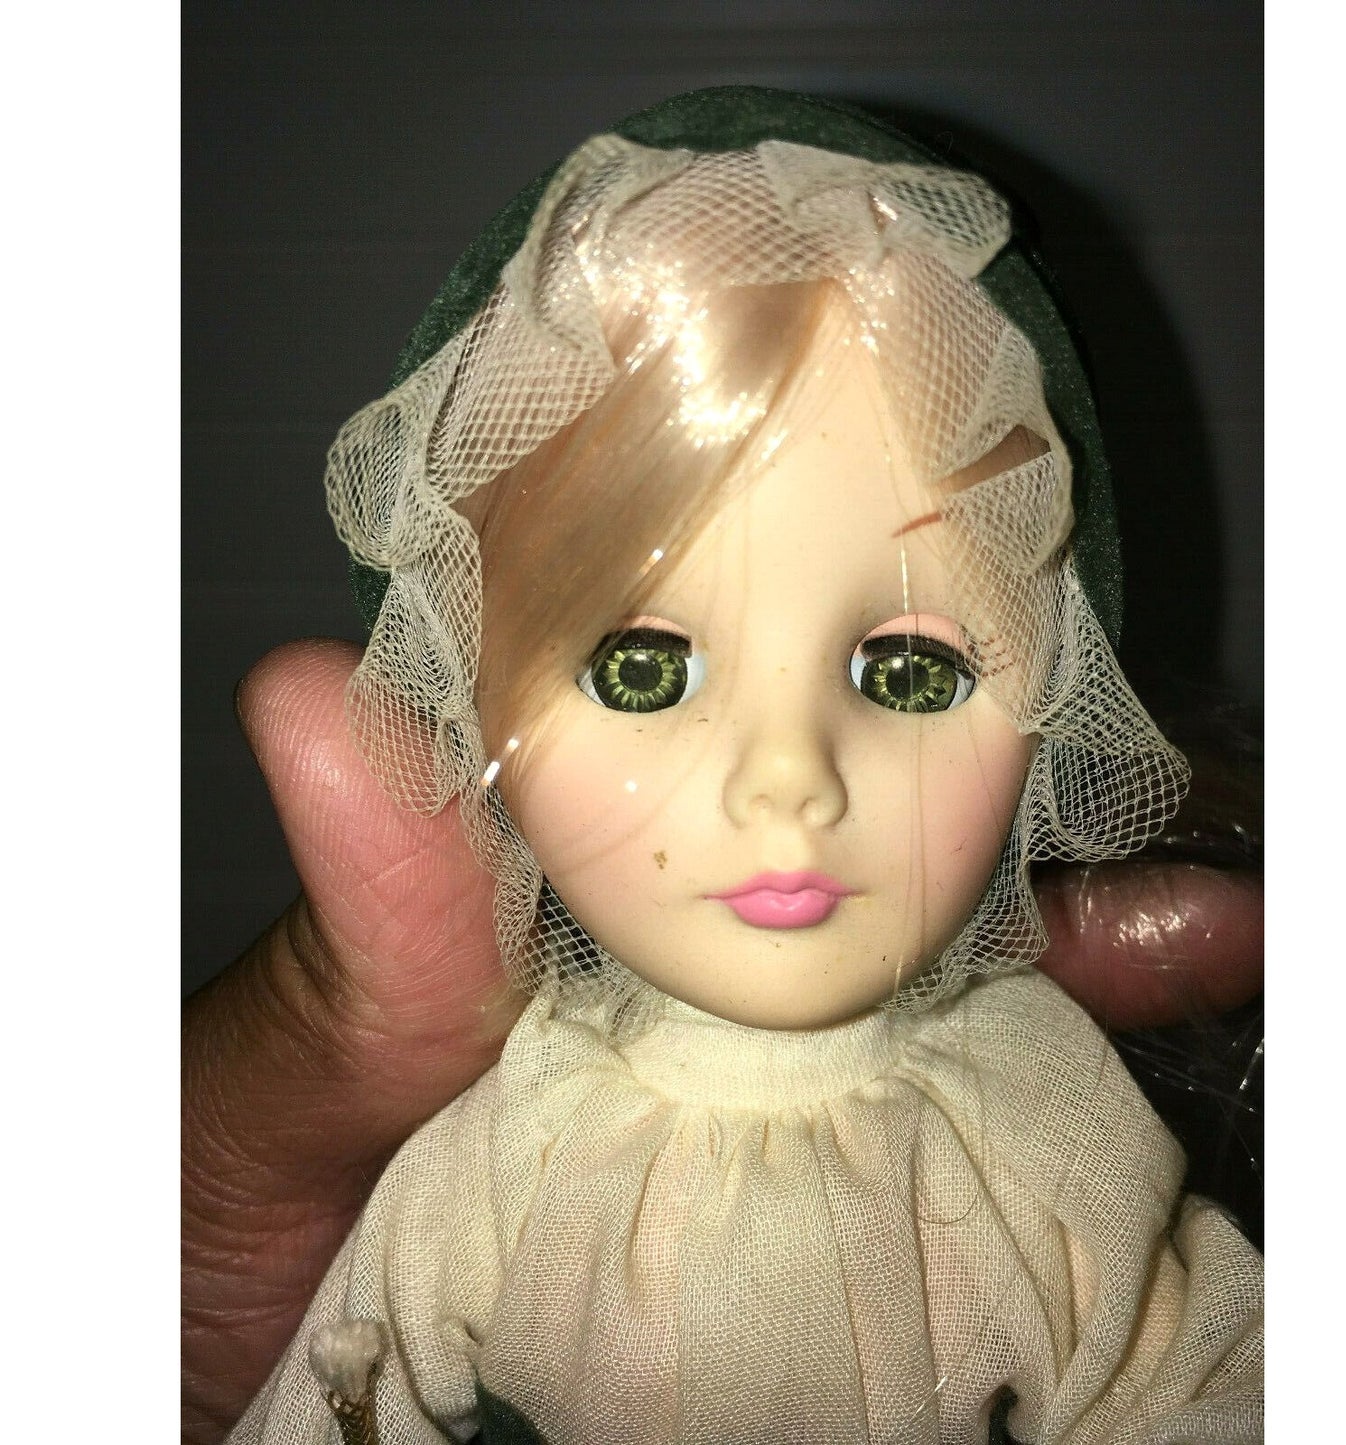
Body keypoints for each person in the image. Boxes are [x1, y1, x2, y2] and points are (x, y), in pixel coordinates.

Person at [186, 89, 1263, 1445]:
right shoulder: (515, 1144)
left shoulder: (1035, 1125)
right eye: (641, 669)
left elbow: (1204, 1381)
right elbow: (347, 1392)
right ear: (468, 690)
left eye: (910, 673)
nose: (786, 780)